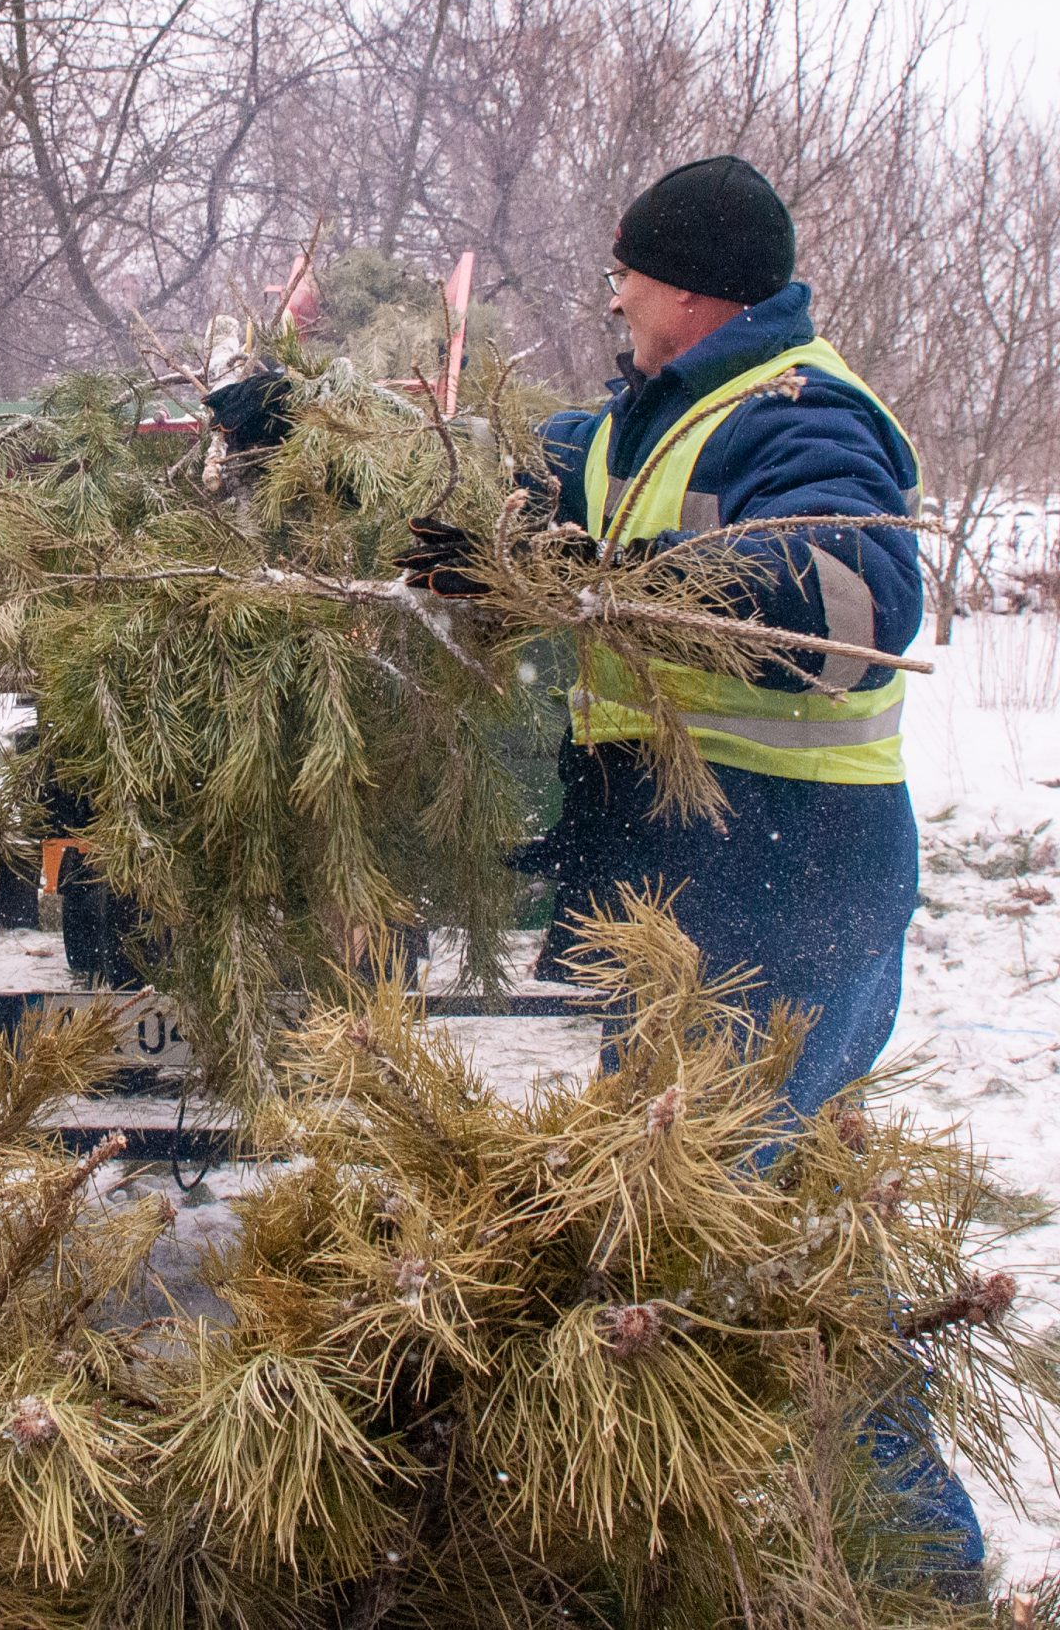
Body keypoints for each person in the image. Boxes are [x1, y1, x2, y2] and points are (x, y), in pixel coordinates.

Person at [399, 154, 977, 1589]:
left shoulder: (806, 419)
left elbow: (856, 607)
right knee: (747, 1245)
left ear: (692, 287)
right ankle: (813, 1565)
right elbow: (510, 475)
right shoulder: (639, 425)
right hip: (689, 894)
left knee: (720, 1257)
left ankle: (901, 1570)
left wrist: (598, 575)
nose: (611, 297)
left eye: (628, 276)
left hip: (787, 890)